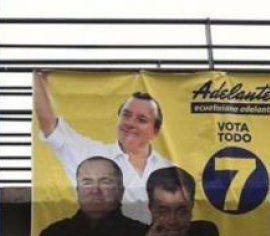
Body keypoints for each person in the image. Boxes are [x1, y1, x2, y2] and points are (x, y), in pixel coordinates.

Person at [34, 71, 172, 223]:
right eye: (126, 115)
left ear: (155, 131)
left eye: (141, 119)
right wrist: (39, 77)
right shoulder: (92, 155)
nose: (130, 123)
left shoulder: (169, 169)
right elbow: (50, 126)